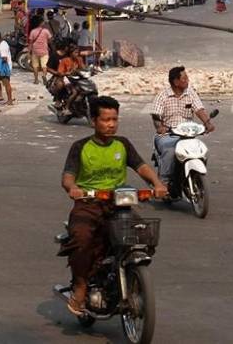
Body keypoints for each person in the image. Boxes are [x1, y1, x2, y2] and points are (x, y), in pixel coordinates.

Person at [61, 96, 167, 316]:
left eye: (114, 119)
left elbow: (141, 166)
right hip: (88, 204)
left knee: (143, 235)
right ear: (93, 121)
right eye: (105, 120)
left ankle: (129, 275)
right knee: (81, 239)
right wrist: (73, 188)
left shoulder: (122, 144)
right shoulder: (80, 147)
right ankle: (80, 286)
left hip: (119, 203)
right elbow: (68, 176)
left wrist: (156, 184)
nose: (111, 124)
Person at [148, 66, 215, 195]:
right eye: (184, 78)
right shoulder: (162, 96)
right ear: (176, 82)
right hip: (168, 134)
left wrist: (207, 123)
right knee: (170, 151)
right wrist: (160, 127)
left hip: (188, 134)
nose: (187, 80)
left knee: (201, 150)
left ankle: (195, 177)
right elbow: (156, 115)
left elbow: (199, 109)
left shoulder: (190, 93)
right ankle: (163, 182)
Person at [0, 31, 15, 106]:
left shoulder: (2, 46)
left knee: (6, 83)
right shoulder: (3, 43)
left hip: (4, 67)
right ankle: (0, 96)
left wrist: (1, 69)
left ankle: (10, 100)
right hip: (2, 67)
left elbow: (4, 58)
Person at [27, 20, 52, 85]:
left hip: (35, 51)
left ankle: (36, 80)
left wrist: (28, 52)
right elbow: (50, 40)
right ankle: (44, 75)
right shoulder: (46, 31)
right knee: (44, 66)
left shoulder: (33, 31)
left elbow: (30, 43)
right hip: (44, 51)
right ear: (40, 23)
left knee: (35, 66)